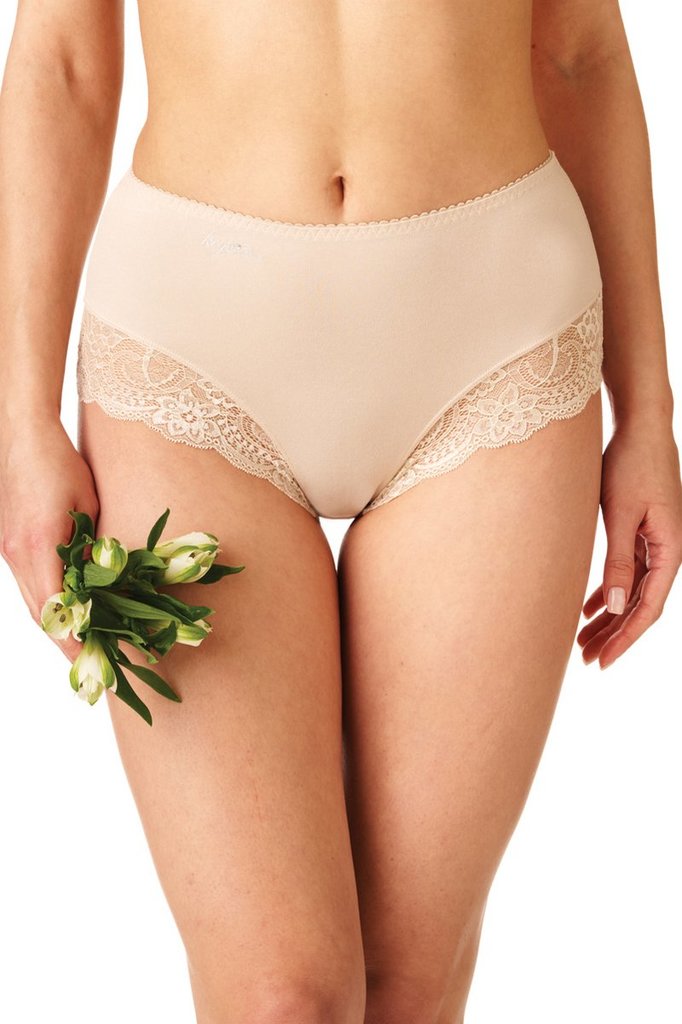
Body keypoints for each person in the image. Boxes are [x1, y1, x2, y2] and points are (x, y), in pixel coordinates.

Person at [1, 2, 680, 1021]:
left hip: (497, 341)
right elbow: (60, 61)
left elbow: (580, 53)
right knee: (279, 998)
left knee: (409, 990)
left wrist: (648, 414)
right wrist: (19, 421)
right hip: (186, 352)